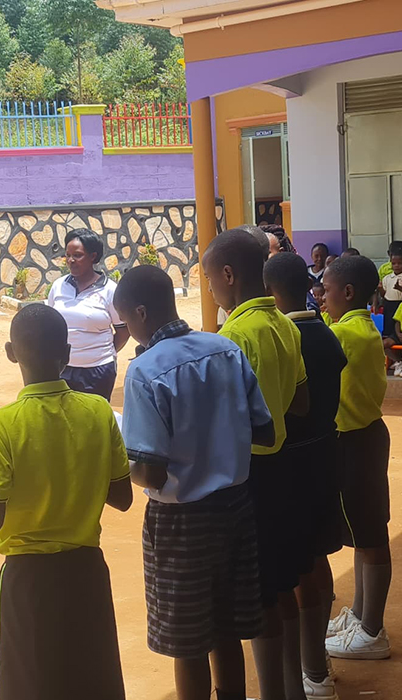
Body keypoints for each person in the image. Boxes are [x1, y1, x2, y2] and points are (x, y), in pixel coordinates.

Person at [115, 265, 274, 700]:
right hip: (237, 508)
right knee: (226, 629)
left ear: (142, 314)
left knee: (187, 643)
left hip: (180, 523)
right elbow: (265, 431)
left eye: (126, 321)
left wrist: (115, 456)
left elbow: (151, 472)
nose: (127, 332)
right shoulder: (224, 349)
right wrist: (218, 432)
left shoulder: (144, 371)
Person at [0, 304, 132, 700]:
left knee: (26, 681)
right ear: (66, 354)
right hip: (85, 571)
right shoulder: (98, 411)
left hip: (27, 579)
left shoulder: (2, 424)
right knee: (92, 677)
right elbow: (122, 497)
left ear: (12, 353)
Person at [203, 229, 310, 700]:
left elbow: (223, 423)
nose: (209, 291)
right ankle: (293, 688)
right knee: (282, 587)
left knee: (260, 597)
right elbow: (302, 402)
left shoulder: (233, 338)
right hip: (284, 468)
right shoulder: (286, 324)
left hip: (250, 480)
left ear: (228, 275)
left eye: (209, 282)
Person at [264, 253, 348, 698]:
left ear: (272, 294)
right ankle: (317, 659)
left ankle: (311, 670)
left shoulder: (284, 337)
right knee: (317, 558)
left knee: (294, 573)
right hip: (323, 454)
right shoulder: (324, 333)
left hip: (292, 465)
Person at [322, 256, 392, 661]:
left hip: (355, 442)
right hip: (360, 439)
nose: (322, 298)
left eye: (327, 292)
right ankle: (362, 617)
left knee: (371, 538)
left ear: (348, 293)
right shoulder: (358, 327)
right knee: (364, 538)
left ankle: (372, 630)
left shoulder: (346, 334)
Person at [47, 228, 130, 401]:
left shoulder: (110, 291)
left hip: (98, 371)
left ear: (93, 256)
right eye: (67, 255)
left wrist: (103, 353)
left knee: (94, 421)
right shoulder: (58, 286)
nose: (70, 260)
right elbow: (51, 324)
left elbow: (123, 331)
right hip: (62, 370)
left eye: (77, 255)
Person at [378, 251, 402, 340]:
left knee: (400, 325)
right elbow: (384, 294)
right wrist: (380, 289)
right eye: (394, 263)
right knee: (388, 326)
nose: (396, 265)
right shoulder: (387, 278)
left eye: (400, 263)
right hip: (388, 305)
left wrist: (400, 288)